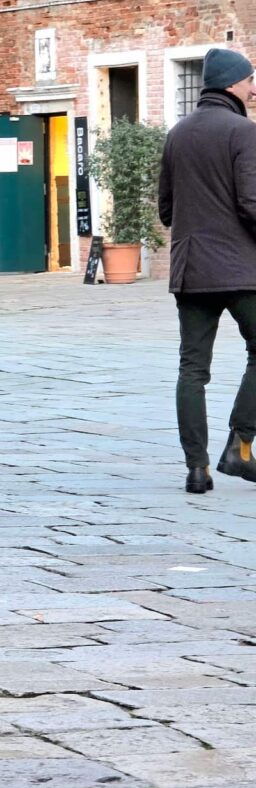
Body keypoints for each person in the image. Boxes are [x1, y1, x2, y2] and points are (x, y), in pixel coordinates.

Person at [159, 47, 256, 494]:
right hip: (241, 271)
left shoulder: (177, 133)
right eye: (249, 79)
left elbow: (165, 210)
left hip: (191, 270)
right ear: (231, 83)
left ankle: (196, 469)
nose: (253, 87)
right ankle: (240, 442)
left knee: (192, 369)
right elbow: (251, 203)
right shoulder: (244, 131)